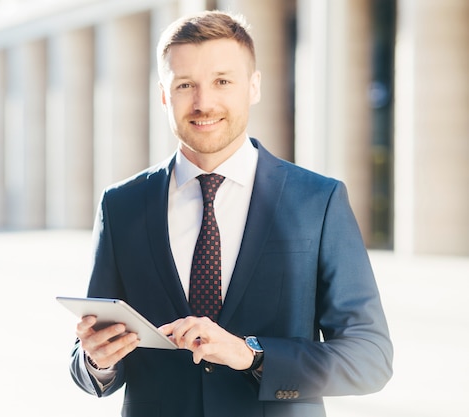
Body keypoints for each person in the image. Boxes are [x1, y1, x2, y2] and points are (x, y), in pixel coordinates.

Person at [69, 10, 393, 417]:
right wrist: (98, 361)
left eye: (223, 81)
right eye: (185, 85)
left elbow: (371, 358)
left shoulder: (318, 200)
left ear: (253, 86)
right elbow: (88, 363)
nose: (204, 103)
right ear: (164, 95)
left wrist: (252, 355)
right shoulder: (121, 206)